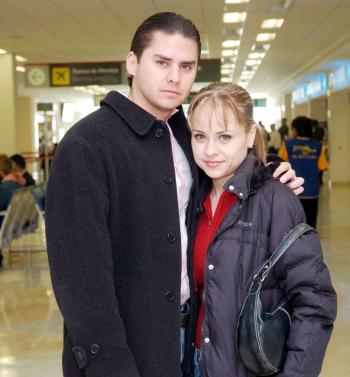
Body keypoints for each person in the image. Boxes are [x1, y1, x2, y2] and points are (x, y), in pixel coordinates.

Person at [45, 12, 303, 377]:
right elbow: (80, 278)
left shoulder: (184, 132)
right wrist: (110, 364)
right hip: (123, 350)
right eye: (161, 62)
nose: (174, 77)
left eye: (187, 65)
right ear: (133, 62)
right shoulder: (87, 144)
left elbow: (223, 165)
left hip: (189, 341)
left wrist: (269, 170)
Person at [187, 82, 336, 377]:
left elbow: (314, 301)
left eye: (225, 136)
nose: (210, 150)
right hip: (193, 361)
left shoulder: (276, 200)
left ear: (250, 134)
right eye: (200, 136)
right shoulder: (191, 198)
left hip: (247, 367)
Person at [279, 116, 328, 228]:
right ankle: (310, 243)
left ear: (295, 130)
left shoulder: (287, 144)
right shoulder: (318, 145)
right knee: (310, 224)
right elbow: (322, 166)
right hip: (312, 191)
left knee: (293, 225)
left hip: (292, 191)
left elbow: (280, 165)